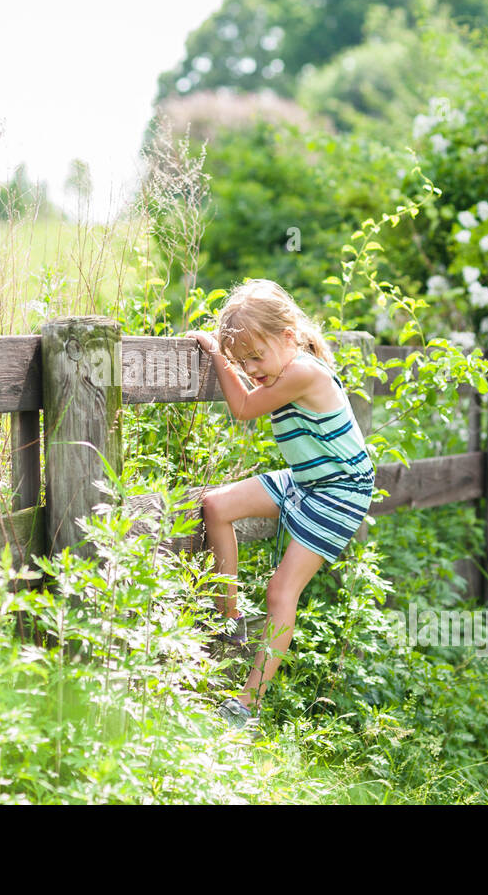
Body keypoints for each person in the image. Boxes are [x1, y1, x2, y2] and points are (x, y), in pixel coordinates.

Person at [185, 279, 374, 728]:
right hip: (306, 479)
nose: (250, 368)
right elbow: (252, 395)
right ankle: (228, 617)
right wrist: (228, 355)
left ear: (288, 337)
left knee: (280, 591)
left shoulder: (303, 372)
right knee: (216, 507)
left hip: (341, 489)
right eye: (241, 360)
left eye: (255, 356)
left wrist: (215, 353)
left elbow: (245, 408)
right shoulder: (285, 366)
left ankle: (245, 707)